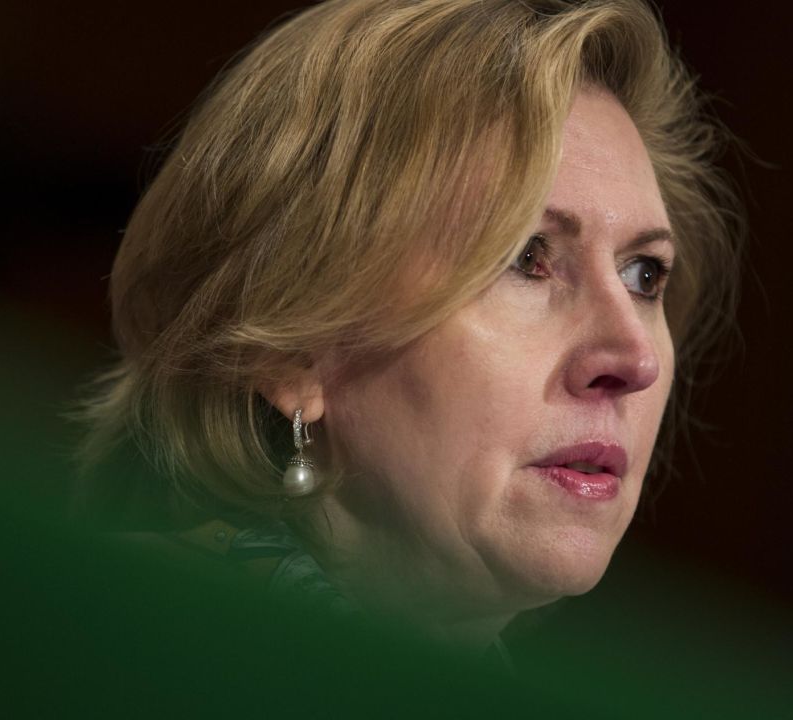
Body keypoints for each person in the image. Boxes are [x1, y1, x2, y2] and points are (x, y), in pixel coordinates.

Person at [78, 0, 741, 658]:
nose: (634, 358)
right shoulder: (105, 644)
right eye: (524, 257)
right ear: (291, 352)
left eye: (644, 275)